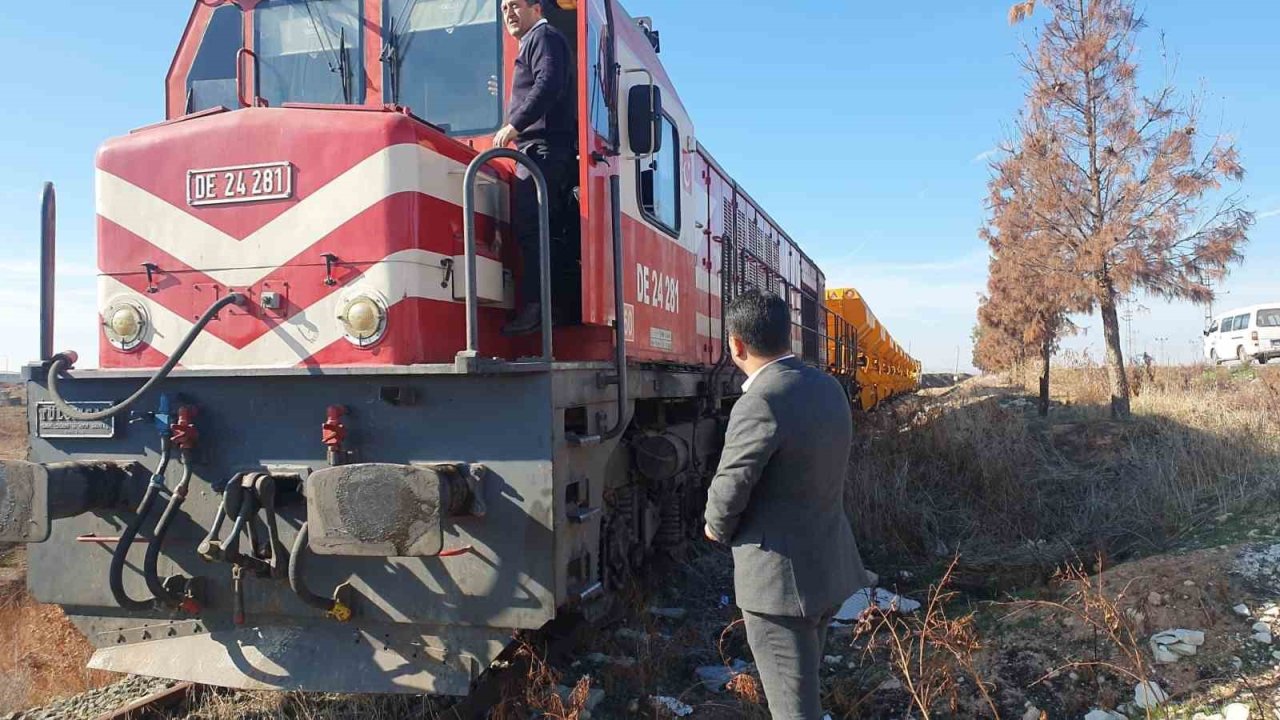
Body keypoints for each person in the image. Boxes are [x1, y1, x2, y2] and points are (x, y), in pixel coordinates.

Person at [703, 291, 869, 720]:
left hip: (779, 590)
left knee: (793, 711)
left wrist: (715, 526)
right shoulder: (828, 387)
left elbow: (732, 484)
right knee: (804, 691)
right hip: (827, 569)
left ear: (736, 344)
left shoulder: (760, 400)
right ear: (789, 335)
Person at [494, 0, 576, 335]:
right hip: (539, 149)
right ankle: (548, 307)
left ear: (537, 9)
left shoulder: (543, 37)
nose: (509, 13)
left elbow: (548, 83)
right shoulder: (535, 42)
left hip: (541, 149)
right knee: (541, 228)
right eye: (504, 9)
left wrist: (514, 124)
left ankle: (537, 307)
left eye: (515, 5)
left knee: (533, 227)